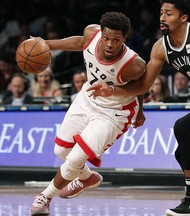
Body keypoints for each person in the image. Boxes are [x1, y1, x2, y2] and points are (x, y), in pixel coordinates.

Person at [87, 1, 190, 215]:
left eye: (169, 13)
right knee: (183, 153)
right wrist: (111, 90)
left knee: (182, 127)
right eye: (161, 13)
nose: (162, 18)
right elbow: (142, 86)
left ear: (183, 17)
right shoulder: (161, 47)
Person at [30, 12, 146, 216]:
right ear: (100, 33)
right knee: (61, 151)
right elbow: (80, 42)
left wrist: (141, 110)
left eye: (116, 40)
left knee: (75, 158)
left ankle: (45, 197)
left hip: (115, 112)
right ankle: (87, 178)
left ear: (124, 39)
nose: (110, 44)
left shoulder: (133, 65)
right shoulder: (91, 34)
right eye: (106, 38)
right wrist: (46, 44)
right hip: (88, 97)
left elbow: (141, 86)